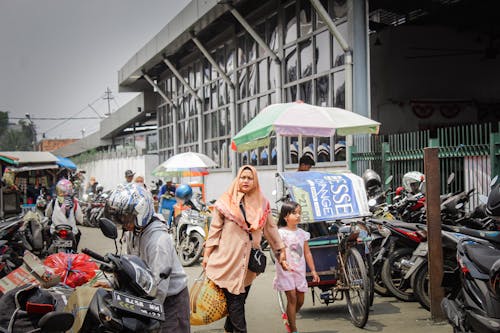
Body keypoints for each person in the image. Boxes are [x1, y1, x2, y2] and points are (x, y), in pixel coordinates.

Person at [202, 165, 289, 333]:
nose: (246, 181)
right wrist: (206, 256)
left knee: (238, 302)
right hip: (226, 262)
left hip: (248, 265)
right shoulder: (225, 201)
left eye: (250, 178)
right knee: (236, 303)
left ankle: (229, 328)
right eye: (243, 177)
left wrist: (280, 250)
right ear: (237, 179)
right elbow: (214, 231)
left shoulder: (263, 203)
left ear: (255, 181)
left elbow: (270, 228)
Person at [105, 183, 190, 332]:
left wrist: (147, 314)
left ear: (141, 213)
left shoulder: (158, 241)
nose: (124, 223)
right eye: (121, 218)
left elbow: (159, 288)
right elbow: (131, 263)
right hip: (148, 292)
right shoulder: (134, 231)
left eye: (126, 218)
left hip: (171, 299)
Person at [274, 201, 319, 333]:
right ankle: (293, 330)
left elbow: (307, 252)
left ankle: (290, 315)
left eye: (299, 213)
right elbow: (278, 251)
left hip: (299, 269)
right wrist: (283, 262)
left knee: (300, 300)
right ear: (285, 216)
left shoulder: (302, 233)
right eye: (294, 213)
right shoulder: (280, 233)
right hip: (285, 270)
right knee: (292, 298)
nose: (298, 215)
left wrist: (313, 270)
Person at [45, 178, 82, 248]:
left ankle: (48, 248)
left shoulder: (53, 201)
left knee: (46, 231)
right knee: (78, 233)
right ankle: (74, 250)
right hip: (71, 231)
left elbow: (47, 214)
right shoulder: (74, 202)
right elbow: (80, 219)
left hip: (55, 230)